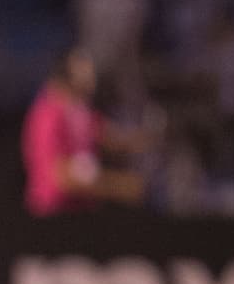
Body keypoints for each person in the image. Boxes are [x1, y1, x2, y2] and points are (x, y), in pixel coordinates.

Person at [21, 46, 144, 216]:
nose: (91, 75)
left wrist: (153, 137)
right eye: (83, 69)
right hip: (54, 213)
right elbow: (59, 175)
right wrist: (118, 186)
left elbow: (113, 139)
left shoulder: (82, 111)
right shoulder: (47, 115)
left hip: (85, 209)